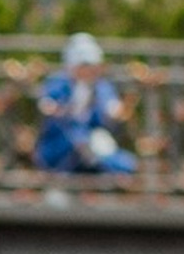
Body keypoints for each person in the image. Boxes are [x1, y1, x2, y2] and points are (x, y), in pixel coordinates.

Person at [35, 34, 136, 185]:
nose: (89, 71)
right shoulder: (59, 82)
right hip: (60, 145)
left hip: (91, 146)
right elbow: (47, 105)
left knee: (124, 162)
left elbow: (112, 109)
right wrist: (61, 109)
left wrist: (122, 108)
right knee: (75, 146)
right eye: (85, 66)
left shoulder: (101, 86)